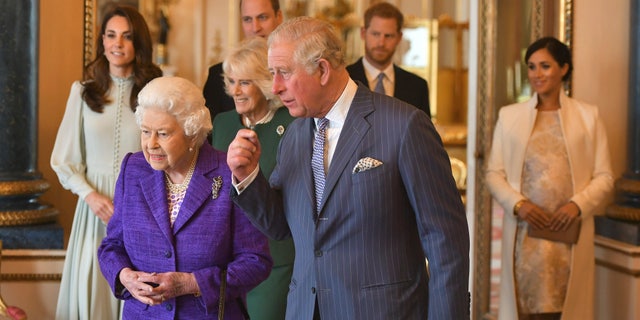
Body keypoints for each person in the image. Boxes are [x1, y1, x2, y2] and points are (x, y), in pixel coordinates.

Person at [227, 16, 470, 319]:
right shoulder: (294, 134)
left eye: (284, 73)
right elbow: (280, 226)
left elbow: (446, 242)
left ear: (322, 69)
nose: (275, 87)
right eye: (272, 74)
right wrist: (247, 176)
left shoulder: (404, 126)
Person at [97, 76, 273, 319]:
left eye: (163, 133)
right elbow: (112, 246)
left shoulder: (227, 171)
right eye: (146, 132)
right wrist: (124, 276)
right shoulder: (133, 169)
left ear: (192, 134)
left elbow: (256, 261)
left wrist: (193, 283)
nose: (151, 144)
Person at [486, 37, 614, 320]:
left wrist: (577, 205)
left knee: (566, 309)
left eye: (545, 66)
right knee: (525, 309)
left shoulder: (588, 117)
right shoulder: (510, 116)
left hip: (569, 236)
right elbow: (494, 174)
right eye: (532, 67)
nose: (537, 74)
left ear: (564, 69)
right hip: (524, 235)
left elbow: (605, 176)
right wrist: (520, 205)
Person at [50, 5, 163, 319]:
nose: (117, 43)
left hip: (141, 208)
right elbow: (64, 158)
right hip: (93, 209)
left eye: (127, 37)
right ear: (101, 41)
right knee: (94, 289)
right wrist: (90, 195)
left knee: (135, 288)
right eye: (111, 35)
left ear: (138, 43)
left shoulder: (153, 94)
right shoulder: (83, 92)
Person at [212, 37, 295, 320]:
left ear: (264, 82)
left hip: (276, 260)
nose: (235, 90)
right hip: (226, 261)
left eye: (245, 82)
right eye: (232, 81)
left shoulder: (293, 124)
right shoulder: (221, 124)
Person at [202, 0, 283, 122]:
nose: (255, 28)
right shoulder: (217, 76)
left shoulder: (294, 71)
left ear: (279, 17)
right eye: (247, 19)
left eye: (262, 17)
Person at [346, 1, 431, 117]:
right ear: (363, 33)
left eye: (388, 36)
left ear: (399, 38)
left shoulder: (417, 87)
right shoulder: (345, 79)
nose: (381, 43)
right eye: (375, 34)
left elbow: (422, 134)